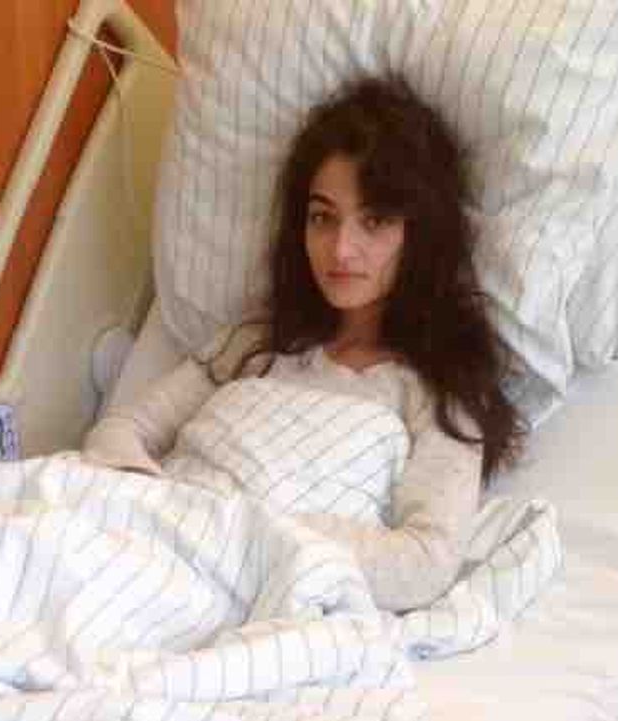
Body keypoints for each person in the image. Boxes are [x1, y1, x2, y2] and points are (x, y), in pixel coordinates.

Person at [83, 76, 527, 613]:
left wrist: (251, 538)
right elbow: (119, 432)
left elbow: (423, 564)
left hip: (247, 588)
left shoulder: (439, 390)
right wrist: (160, 508)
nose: (341, 249)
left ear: (421, 233)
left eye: (374, 221)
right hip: (145, 550)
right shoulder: (253, 343)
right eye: (323, 218)